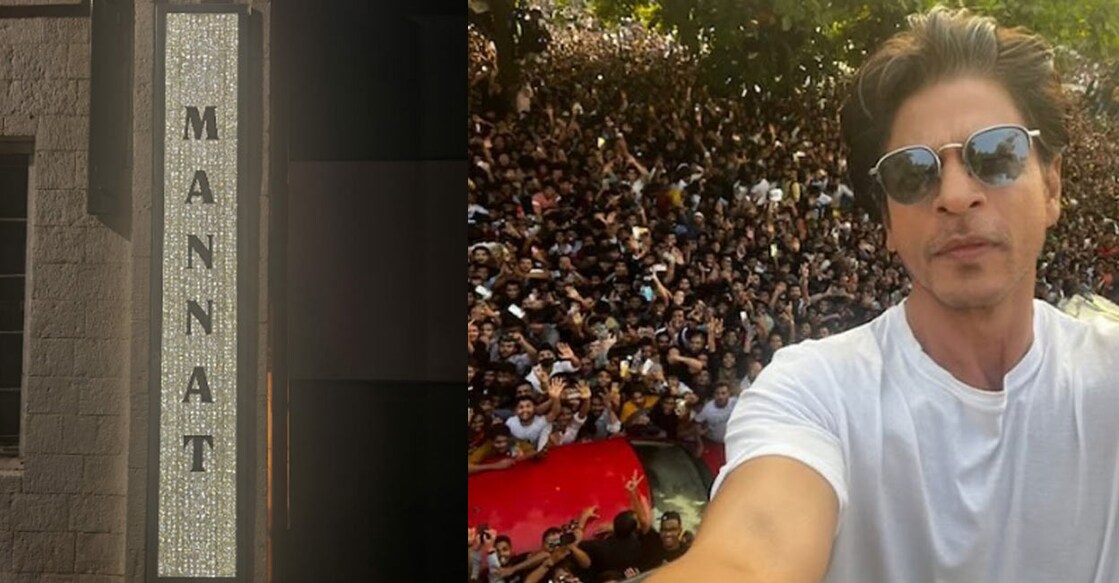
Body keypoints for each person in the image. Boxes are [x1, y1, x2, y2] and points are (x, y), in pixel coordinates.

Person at [651, 7, 1119, 582]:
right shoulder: (814, 395)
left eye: (996, 154)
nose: (954, 194)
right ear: (889, 223)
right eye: (912, 174)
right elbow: (748, 555)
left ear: (1051, 185)